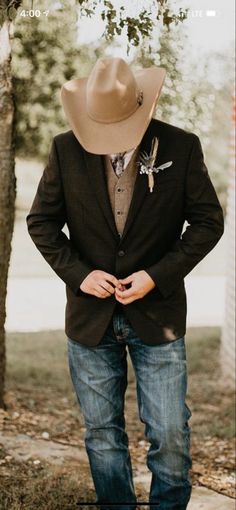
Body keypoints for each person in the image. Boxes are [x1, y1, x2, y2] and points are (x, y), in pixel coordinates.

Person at [26, 57, 224, 510]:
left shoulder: (183, 145)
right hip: (89, 321)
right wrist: (80, 274)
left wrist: (157, 276)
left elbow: (208, 223)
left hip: (160, 318)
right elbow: (41, 223)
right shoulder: (64, 149)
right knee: (101, 432)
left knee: (170, 431)